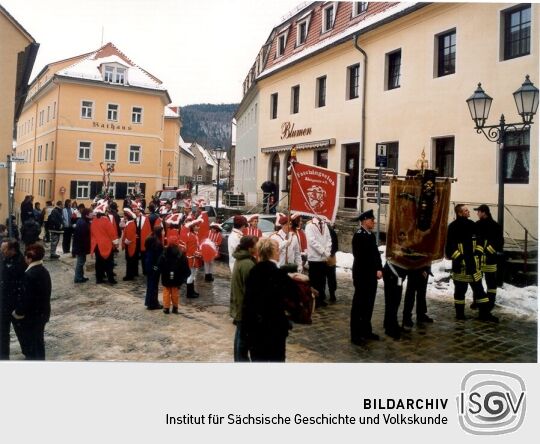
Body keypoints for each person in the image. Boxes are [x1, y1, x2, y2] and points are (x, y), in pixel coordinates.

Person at [243, 238, 295, 362]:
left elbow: (247, 302)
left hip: (255, 329)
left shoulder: (253, 271)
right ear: (271, 252)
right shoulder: (278, 274)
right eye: (277, 250)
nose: (279, 253)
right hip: (274, 329)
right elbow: (293, 296)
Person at [446, 204, 496, 322]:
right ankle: (460, 314)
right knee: (460, 291)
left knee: (479, 291)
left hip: (474, 266)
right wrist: (460, 259)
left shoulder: (473, 225)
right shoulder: (453, 227)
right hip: (461, 266)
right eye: (466, 210)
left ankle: (484, 314)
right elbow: (449, 248)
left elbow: (479, 240)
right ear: (459, 213)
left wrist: (478, 254)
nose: (469, 212)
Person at [11, 243, 51, 360]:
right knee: (38, 342)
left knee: (33, 345)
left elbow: (26, 299)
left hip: (32, 317)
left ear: (29, 258)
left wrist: (17, 313)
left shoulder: (29, 275)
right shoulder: (44, 271)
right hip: (42, 314)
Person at [350, 209, 383, 344]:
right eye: (371, 220)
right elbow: (361, 258)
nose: (373, 222)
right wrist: (373, 270)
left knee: (369, 304)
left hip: (371, 276)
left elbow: (376, 255)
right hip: (362, 276)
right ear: (364, 221)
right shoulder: (359, 236)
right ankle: (355, 335)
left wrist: (379, 268)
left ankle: (366, 330)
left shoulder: (369, 235)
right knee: (359, 305)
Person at [230, 235, 258, 362]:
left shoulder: (243, 259)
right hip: (245, 307)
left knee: (240, 336)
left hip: (241, 305)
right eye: (255, 245)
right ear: (250, 247)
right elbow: (252, 289)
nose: (257, 247)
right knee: (243, 342)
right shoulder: (247, 263)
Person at [0, 238, 26, 359]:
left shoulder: (21, 262)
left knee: (21, 333)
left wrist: (20, 307)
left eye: (4, 248)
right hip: (3, 304)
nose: (2, 250)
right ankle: (3, 358)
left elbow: (24, 287)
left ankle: (29, 354)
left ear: (13, 250)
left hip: (15, 305)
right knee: (2, 333)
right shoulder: (3, 259)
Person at [474, 204, 504, 311]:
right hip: (478, 258)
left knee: (490, 282)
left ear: (483, 212)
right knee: (477, 281)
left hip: (489, 259)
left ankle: (490, 302)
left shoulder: (495, 226)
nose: (477, 214)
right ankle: (478, 301)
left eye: (478, 212)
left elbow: (500, 242)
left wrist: (488, 251)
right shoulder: (477, 224)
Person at [305, 216, 332, 307]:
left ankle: (321, 298)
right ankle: (314, 300)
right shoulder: (310, 226)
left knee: (322, 280)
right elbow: (312, 241)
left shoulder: (324, 224)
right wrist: (323, 251)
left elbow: (329, 239)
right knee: (314, 280)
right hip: (314, 258)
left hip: (323, 258)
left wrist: (327, 251)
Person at [90, 200, 119, 285]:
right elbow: (112, 233)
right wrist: (116, 244)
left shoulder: (94, 221)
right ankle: (111, 279)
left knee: (98, 263)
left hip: (96, 245)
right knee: (109, 263)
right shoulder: (106, 221)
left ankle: (99, 279)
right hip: (106, 245)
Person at [157, 244, 190, 314]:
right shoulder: (180, 254)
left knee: (166, 291)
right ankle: (175, 308)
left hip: (166, 276)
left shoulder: (164, 253)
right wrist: (184, 276)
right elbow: (184, 266)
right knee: (175, 292)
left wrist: (159, 270)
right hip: (176, 277)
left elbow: (159, 264)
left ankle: (166, 308)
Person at [402, 266, 433, 330]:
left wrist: (426, 269)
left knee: (422, 293)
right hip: (414, 270)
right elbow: (412, 257)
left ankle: (421, 315)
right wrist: (421, 270)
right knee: (410, 295)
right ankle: (406, 318)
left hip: (424, 270)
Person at [144, 226, 165, 310]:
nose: (164, 233)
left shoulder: (150, 239)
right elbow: (158, 257)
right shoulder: (158, 243)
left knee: (150, 284)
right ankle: (153, 303)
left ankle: (149, 302)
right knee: (154, 285)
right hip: (154, 266)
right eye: (163, 231)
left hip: (149, 264)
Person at [72, 208, 92, 283]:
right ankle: (77, 278)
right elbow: (82, 237)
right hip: (81, 246)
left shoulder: (82, 221)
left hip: (80, 246)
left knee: (81, 261)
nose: (92, 214)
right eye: (91, 213)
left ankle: (80, 276)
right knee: (80, 262)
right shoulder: (83, 223)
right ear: (86, 215)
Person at [184, 218, 202, 298]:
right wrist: (200, 254)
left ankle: (192, 291)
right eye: (197, 226)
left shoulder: (194, 234)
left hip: (193, 257)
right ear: (193, 227)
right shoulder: (192, 236)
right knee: (191, 275)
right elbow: (191, 250)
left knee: (193, 275)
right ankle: (189, 293)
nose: (198, 227)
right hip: (192, 258)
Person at [121, 208, 138, 281]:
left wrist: (125, 243)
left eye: (124, 216)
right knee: (130, 260)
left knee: (130, 261)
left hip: (130, 245)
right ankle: (131, 274)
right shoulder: (130, 223)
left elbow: (129, 237)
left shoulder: (130, 224)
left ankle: (129, 275)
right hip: (130, 245)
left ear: (127, 216)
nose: (123, 217)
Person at [326, 222, 338, 303]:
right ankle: (331, 294)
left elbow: (335, 245)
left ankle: (332, 294)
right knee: (331, 277)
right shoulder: (331, 230)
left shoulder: (330, 231)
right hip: (328, 255)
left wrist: (331, 253)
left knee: (330, 276)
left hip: (329, 256)